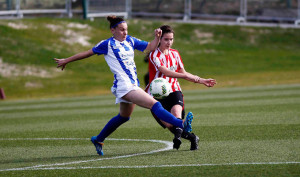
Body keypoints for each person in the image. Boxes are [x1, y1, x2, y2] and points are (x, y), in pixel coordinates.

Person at [54, 16, 191, 156]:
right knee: (154, 104)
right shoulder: (107, 44)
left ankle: (98, 139)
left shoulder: (130, 40)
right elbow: (87, 53)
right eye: (121, 30)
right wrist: (67, 60)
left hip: (133, 84)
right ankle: (180, 123)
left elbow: (150, 47)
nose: (125, 32)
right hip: (124, 85)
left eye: (126, 29)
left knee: (124, 116)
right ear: (112, 30)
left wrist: (157, 38)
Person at [145, 25, 216, 150]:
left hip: (174, 90)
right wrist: (184, 76)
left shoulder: (175, 53)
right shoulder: (154, 55)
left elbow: (184, 72)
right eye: (166, 39)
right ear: (160, 39)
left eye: (171, 39)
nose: (169, 42)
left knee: (176, 115)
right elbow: (165, 72)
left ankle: (177, 138)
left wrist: (201, 80)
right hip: (156, 94)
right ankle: (192, 138)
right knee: (170, 125)